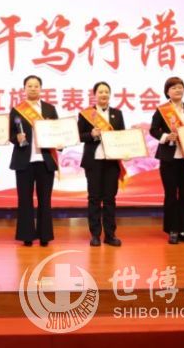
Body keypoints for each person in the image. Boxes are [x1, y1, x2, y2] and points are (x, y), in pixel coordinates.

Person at [9, 75, 59, 247]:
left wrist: (60, 142)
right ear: (24, 89)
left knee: (45, 200)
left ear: (41, 88)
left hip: (45, 161)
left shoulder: (50, 109)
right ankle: (27, 235)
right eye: (29, 86)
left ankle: (45, 236)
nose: (32, 88)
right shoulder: (17, 110)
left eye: (36, 86)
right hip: (24, 160)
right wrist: (17, 138)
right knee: (25, 200)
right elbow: (10, 134)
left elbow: (58, 131)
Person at [149, 76, 184, 245]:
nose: (178, 90)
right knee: (171, 195)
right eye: (174, 88)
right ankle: (172, 230)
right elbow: (153, 130)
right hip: (169, 158)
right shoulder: (162, 110)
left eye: (180, 87)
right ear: (167, 92)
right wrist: (166, 137)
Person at [78, 81, 126, 247]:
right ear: (95, 95)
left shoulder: (117, 114)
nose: (104, 94)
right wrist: (91, 134)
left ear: (110, 94)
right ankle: (95, 235)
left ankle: (110, 235)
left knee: (110, 199)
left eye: (106, 91)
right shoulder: (86, 114)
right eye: (100, 92)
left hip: (111, 162)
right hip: (93, 161)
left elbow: (122, 136)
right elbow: (79, 135)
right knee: (94, 198)